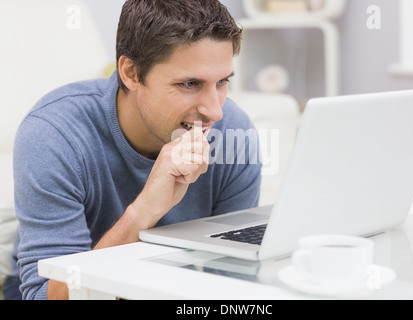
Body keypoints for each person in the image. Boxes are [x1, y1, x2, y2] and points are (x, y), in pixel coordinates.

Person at [5, 0, 261, 300]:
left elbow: (232, 279)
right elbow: (46, 295)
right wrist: (144, 212)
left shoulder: (234, 133)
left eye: (222, 82)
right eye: (190, 83)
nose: (214, 111)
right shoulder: (52, 134)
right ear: (131, 72)